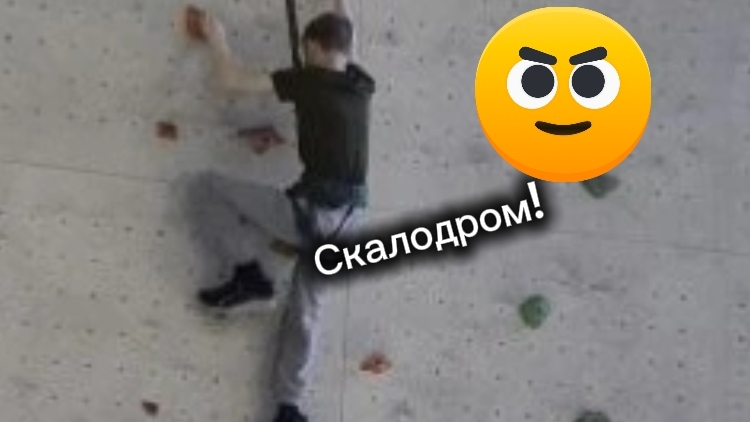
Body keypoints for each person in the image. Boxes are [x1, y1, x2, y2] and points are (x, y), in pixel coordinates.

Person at [193, 2, 374, 422]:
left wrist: (217, 39)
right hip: (349, 223)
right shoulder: (358, 82)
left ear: (314, 47)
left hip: (312, 215)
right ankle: (288, 408)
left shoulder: (310, 81)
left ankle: (251, 277)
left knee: (211, 188)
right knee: (306, 313)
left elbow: (231, 80)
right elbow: (346, 25)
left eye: (305, 49)